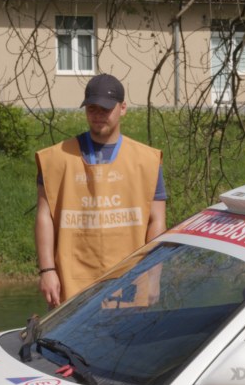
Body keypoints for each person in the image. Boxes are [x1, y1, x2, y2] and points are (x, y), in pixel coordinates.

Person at [35, 74, 167, 307]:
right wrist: (47, 270)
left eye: (105, 109)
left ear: (122, 108)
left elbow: (156, 221)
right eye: (92, 109)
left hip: (130, 280)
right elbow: (45, 215)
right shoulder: (57, 159)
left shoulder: (146, 160)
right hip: (72, 281)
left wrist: (154, 277)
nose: (97, 115)